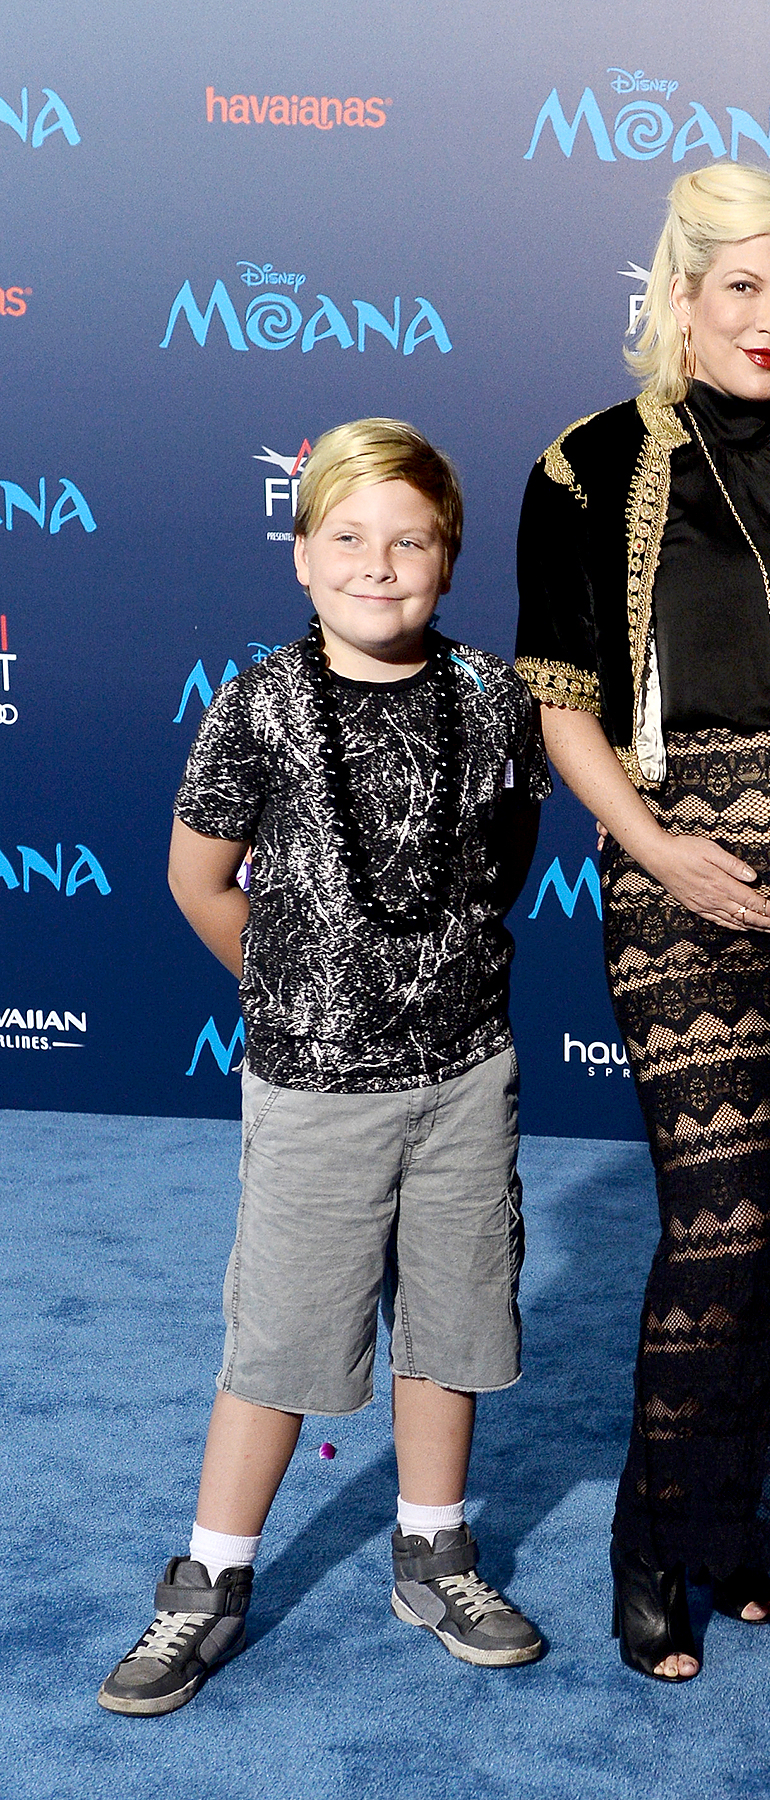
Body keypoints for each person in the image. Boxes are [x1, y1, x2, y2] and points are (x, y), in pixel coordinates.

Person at [99, 420, 551, 1716]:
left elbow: (505, 860)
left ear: (448, 556)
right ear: (302, 557)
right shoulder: (260, 706)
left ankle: (435, 1548)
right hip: (315, 1087)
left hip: (464, 1073)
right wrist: (296, 988)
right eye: (348, 538)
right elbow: (198, 877)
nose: (378, 563)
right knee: (283, 1340)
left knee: (454, 1321)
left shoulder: (492, 699)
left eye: (408, 540)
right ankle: (211, 1579)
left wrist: (422, 981)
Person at [513, 165, 770, 1682]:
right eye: (743, 289)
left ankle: (749, 1528)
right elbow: (566, 711)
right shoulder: (589, 466)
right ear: (680, 295)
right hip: (688, 906)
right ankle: (656, 1543)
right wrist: (665, 856)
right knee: (722, 1231)